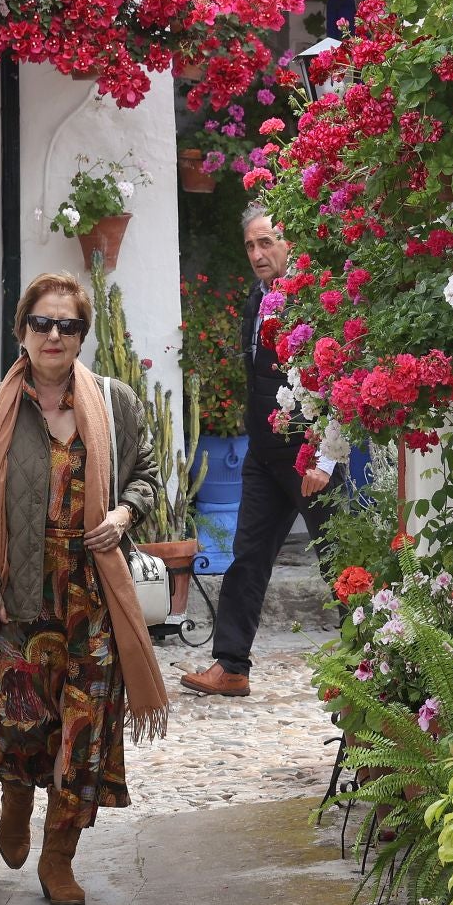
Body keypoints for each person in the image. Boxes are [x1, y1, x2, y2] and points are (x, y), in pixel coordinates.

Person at [0, 272, 170, 905]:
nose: (55, 336)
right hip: (17, 594)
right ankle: (15, 794)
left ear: (83, 335)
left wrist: (125, 515)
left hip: (93, 596)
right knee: (22, 723)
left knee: (84, 730)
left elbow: (147, 476)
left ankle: (60, 855)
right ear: (22, 331)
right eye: (43, 324)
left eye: (69, 326)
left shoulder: (116, 404)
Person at [182, 205, 338, 699]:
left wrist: (327, 458)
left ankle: (376, 664)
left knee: (341, 559)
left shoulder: (312, 302)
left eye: (267, 242)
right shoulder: (258, 299)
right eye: (251, 245)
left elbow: (338, 381)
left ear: (289, 243)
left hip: (309, 456)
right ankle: (231, 666)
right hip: (264, 454)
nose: (258, 253)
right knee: (246, 556)